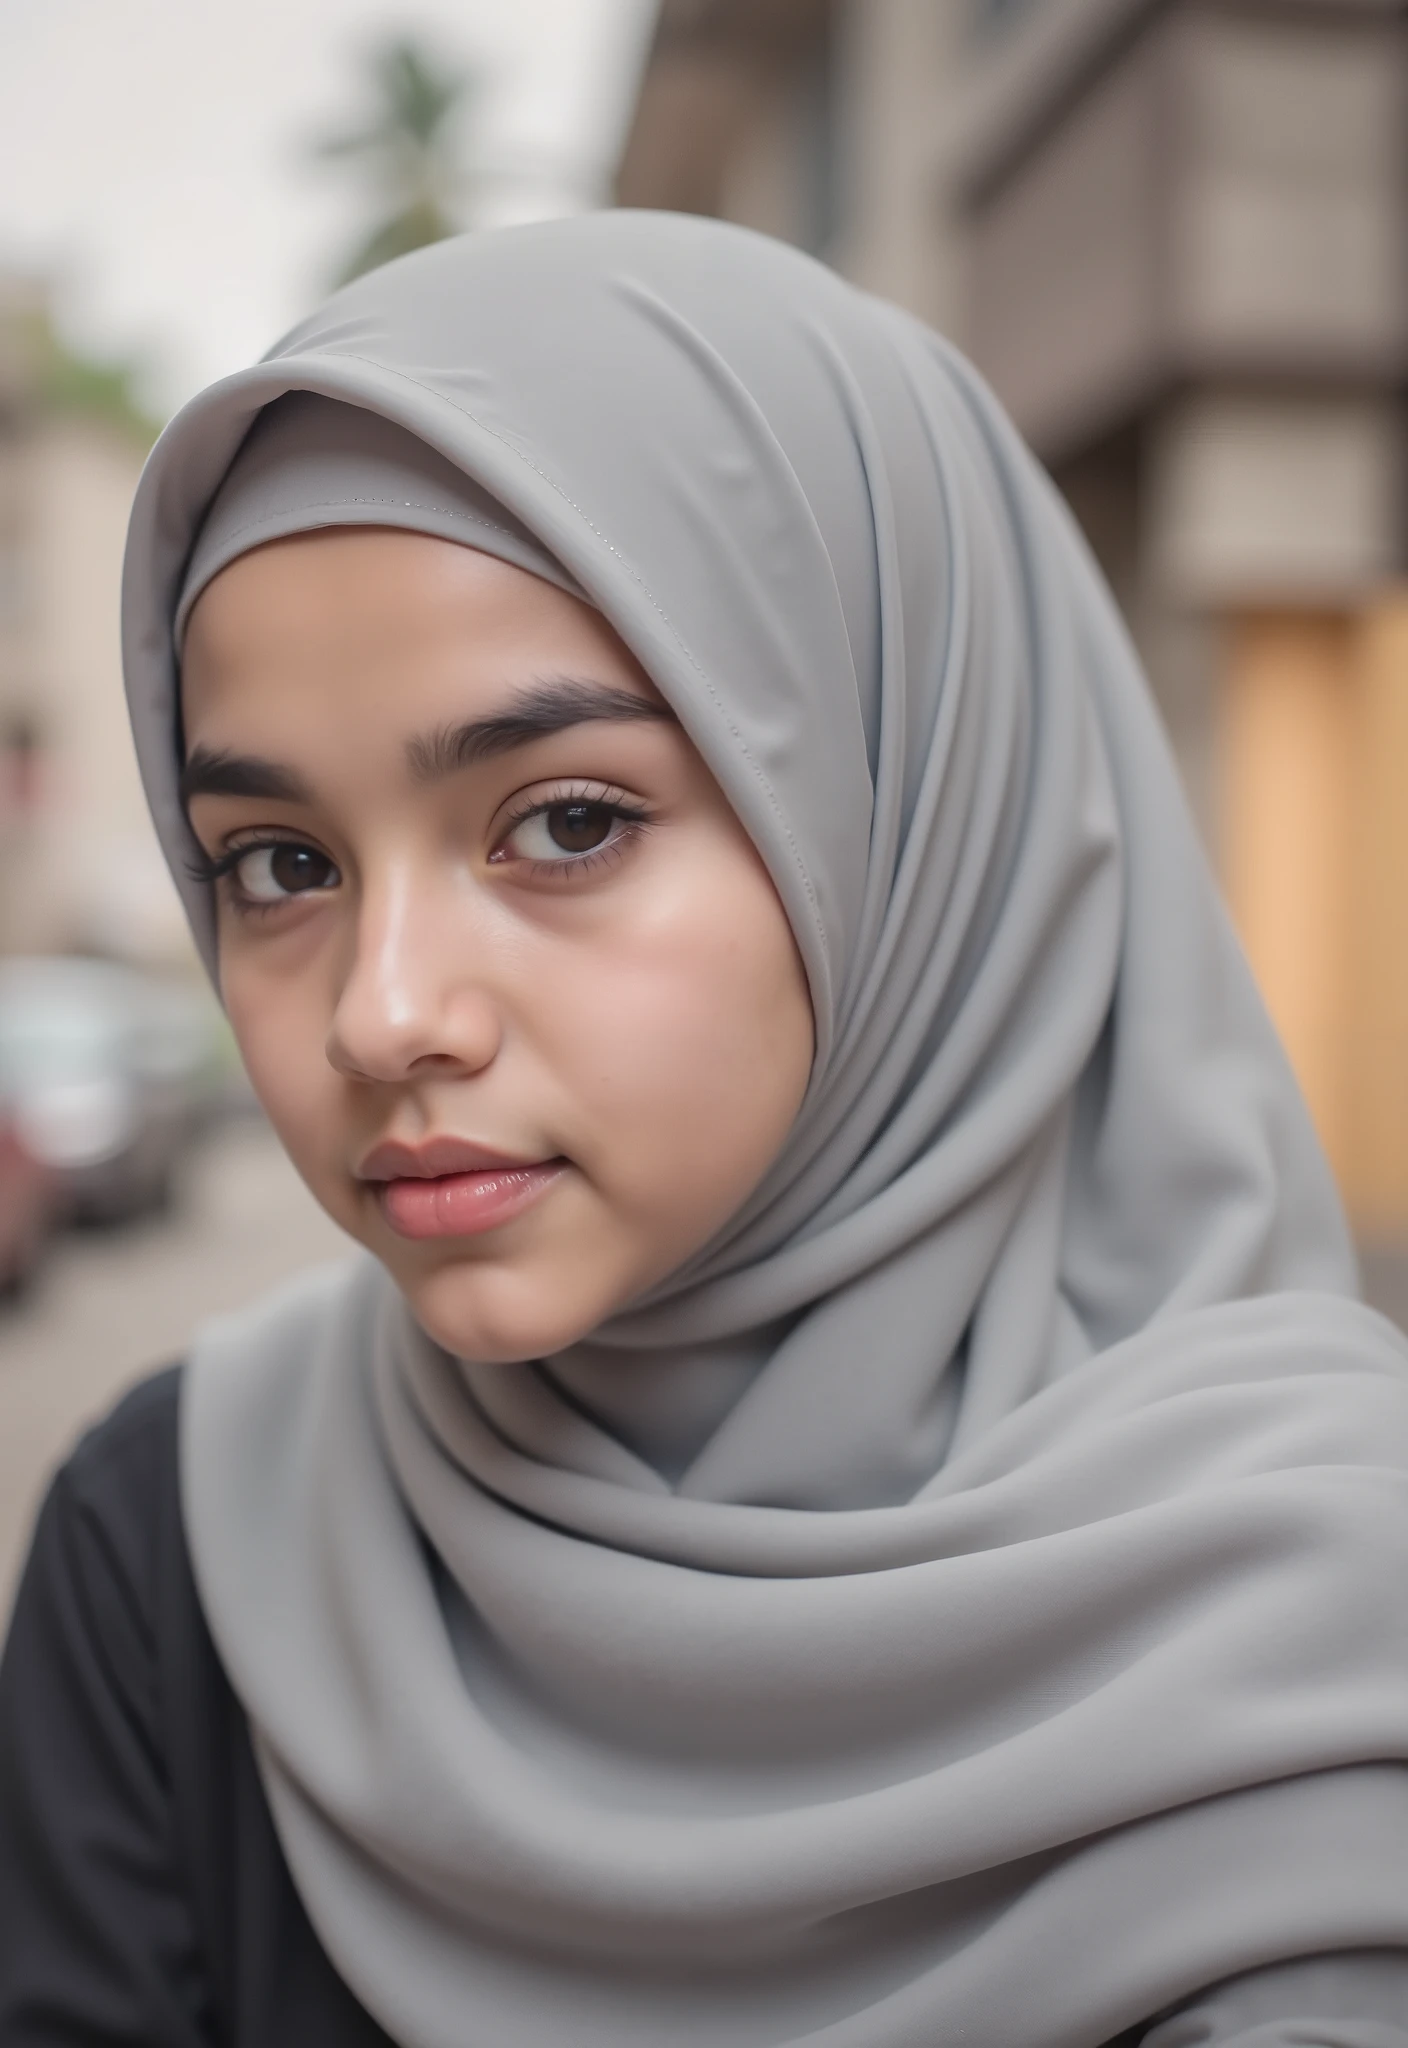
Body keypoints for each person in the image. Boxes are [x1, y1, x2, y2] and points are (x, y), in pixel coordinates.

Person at [2, 211, 1407, 2048]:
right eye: (278, 864)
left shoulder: (1341, 1639)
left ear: (905, 824)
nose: (382, 1011)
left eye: (566, 822)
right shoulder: (180, 1544)